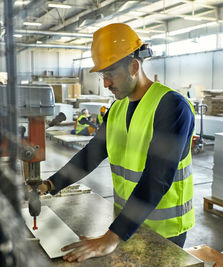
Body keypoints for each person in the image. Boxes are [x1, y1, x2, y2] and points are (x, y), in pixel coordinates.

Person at [39, 23, 195, 262]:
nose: (105, 83)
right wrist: (49, 185)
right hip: (127, 224)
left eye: (110, 74)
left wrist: (109, 239)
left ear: (133, 66)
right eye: (103, 75)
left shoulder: (171, 107)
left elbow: (157, 178)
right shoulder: (118, 107)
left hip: (165, 232)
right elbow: (92, 153)